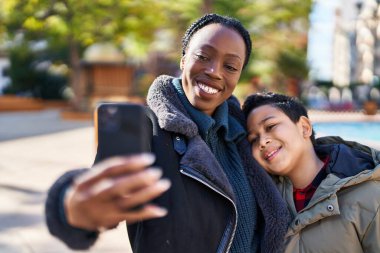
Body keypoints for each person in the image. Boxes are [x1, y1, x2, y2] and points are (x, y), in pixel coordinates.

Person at [45, 14, 291, 253]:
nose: (215, 71)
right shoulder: (145, 128)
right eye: (204, 56)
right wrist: (73, 209)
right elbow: (98, 185)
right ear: (183, 60)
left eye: (230, 66)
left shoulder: (245, 133)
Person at [242, 92, 380, 253]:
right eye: (253, 139)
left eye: (270, 126)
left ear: (304, 128)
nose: (262, 142)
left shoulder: (371, 197)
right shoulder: (262, 203)